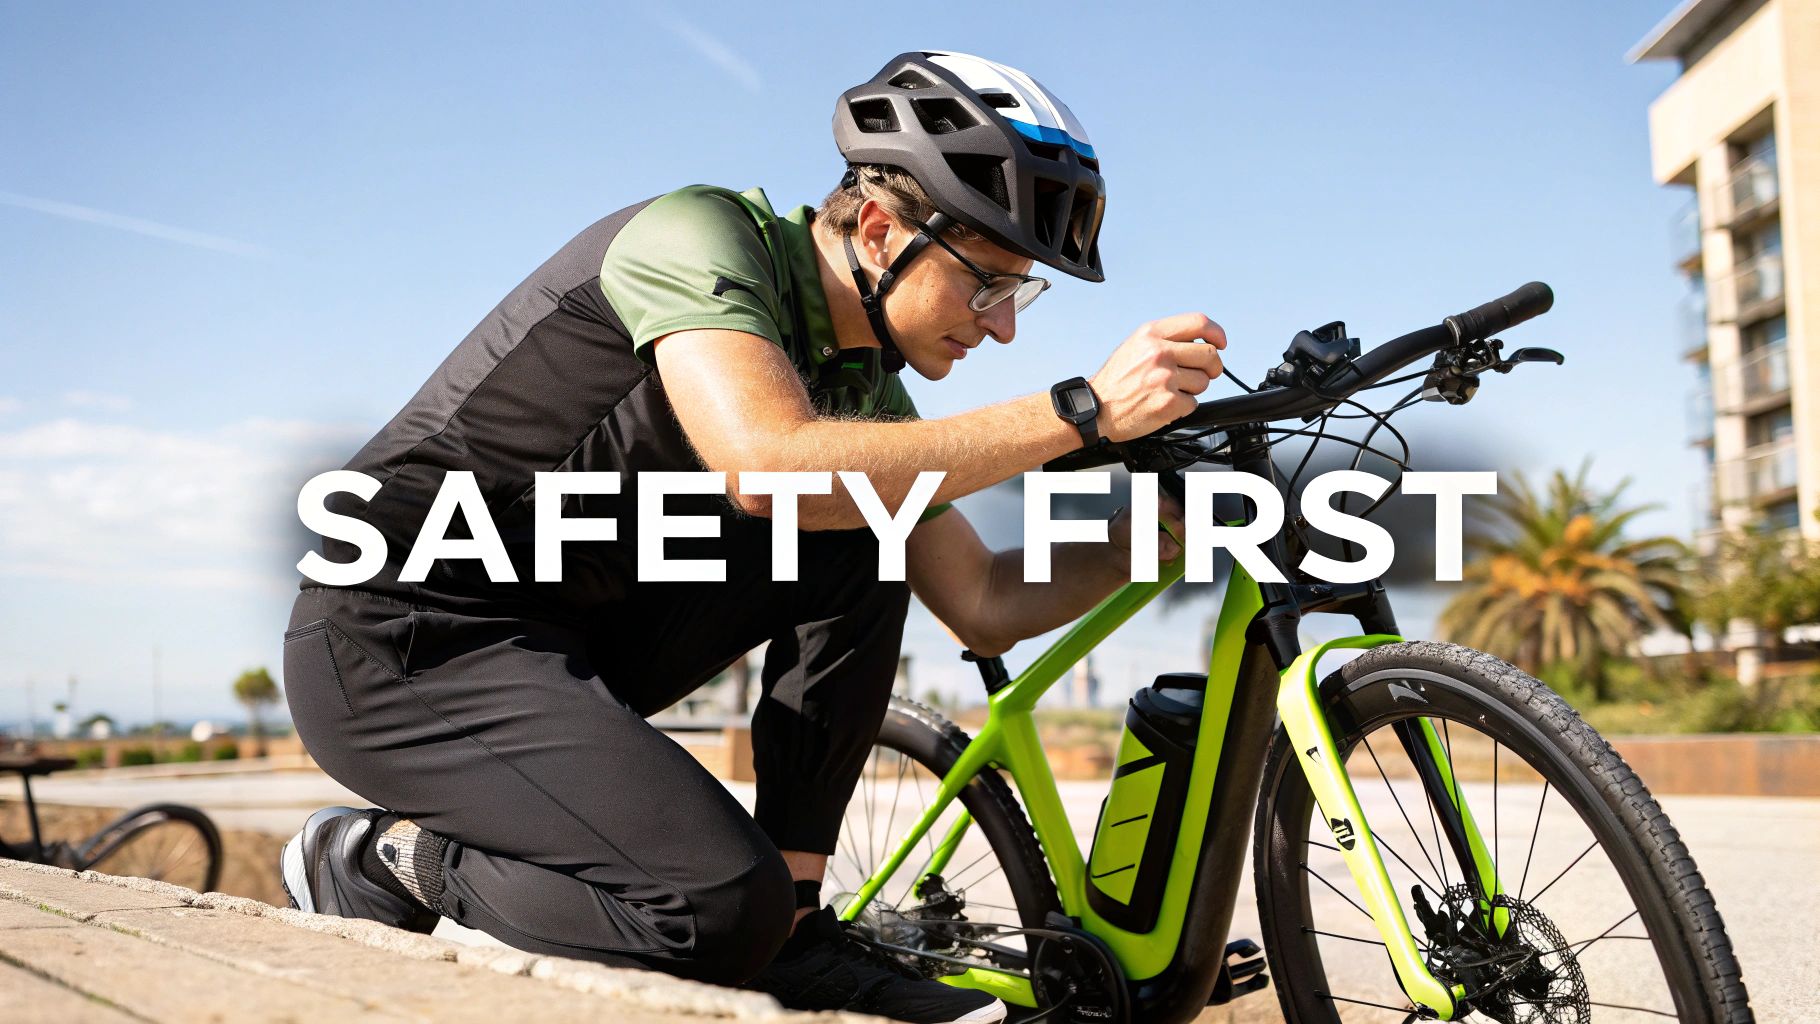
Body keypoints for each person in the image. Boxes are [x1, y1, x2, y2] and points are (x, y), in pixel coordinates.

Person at [278, 50, 1223, 1024]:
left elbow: (982, 605)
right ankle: (385, 857)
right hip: (400, 631)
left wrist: (1130, 543)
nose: (1001, 329)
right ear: (875, 227)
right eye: (987, 286)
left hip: (561, 640)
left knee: (859, 531)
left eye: (1019, 297)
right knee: (715, 910)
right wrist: (1082, 410)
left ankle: (800, 921)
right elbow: (769, 467)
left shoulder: (863, 391)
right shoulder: (699, 235)